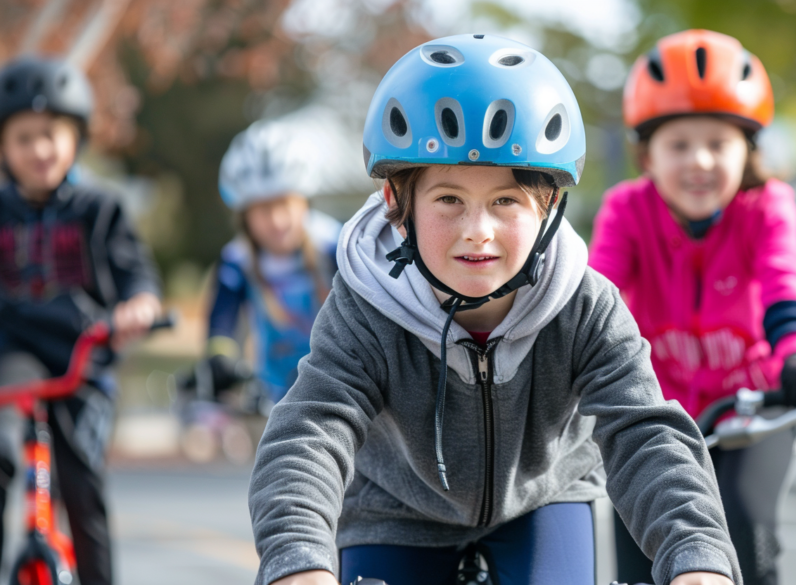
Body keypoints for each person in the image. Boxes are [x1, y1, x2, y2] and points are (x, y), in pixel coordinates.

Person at [248, 34, 741, 585]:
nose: (476, 231)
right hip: (394, 510)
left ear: (549, 205)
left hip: (543, 499)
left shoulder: (587, 307)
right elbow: (310, 431)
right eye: (448, 200)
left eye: (506, 201)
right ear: (396, 204)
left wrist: (698, 558)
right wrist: (298, 562)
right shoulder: (364, 307)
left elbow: (645, 433)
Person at [588, 30, 796, 585]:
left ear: (748, 150)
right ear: (647, 154)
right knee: (644, 534)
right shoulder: (627, 212)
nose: (699, 161)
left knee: (745, 526)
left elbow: (787, 285)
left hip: (754, 403)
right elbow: (595, 298)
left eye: (718, 143)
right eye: (679, 144)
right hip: (657, 409)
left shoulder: (768, 207)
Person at [0, 56, 162, 585]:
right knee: (0, 449)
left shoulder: (100, 209)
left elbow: (135, 272)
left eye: (51, 135)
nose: (39, 150)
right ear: (5, 147)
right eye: (24, 138)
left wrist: (138, 303)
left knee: (82, 485)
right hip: (15, 356)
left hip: (81, 358)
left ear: (76, 139)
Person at [185, 119, 341, 411]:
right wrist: (220, 358)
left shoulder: (335, 247)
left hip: (342, 387)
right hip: (275, 399)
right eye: (263, 209)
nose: (277, 220)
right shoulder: (237, 261)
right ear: (245, 215)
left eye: (285, 204)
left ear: (304, 201)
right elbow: (222, 321)